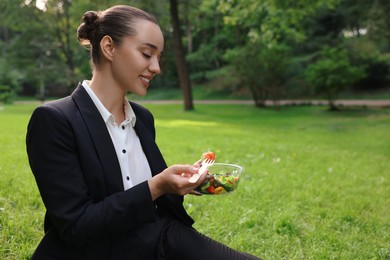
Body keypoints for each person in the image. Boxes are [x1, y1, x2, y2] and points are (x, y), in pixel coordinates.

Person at [26, 5, 260, 260]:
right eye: (147, 54)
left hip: (156, 238)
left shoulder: (143, 119)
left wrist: (183, 183)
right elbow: (77, 226)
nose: (156, 67)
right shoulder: (54, 120)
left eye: (159, 57)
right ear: (109, 47)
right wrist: (156, 186)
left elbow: (155, 203)